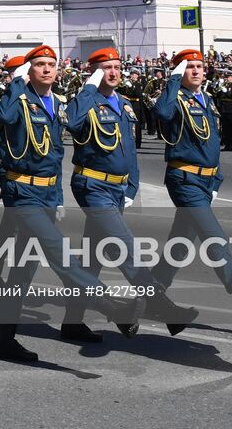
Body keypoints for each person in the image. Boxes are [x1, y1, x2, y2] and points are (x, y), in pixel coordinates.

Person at [0, 45, 142, 361]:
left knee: (22, 270)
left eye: (51, 64)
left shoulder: (56, 104)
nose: (46, 69)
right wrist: (15, 84)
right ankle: (112, 307)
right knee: (61, 255)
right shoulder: (18, 100)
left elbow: (55, 155)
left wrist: (57, 199)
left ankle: (4, 341)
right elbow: (0, 119)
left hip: (45, 195)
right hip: (21, 194)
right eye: (39, 64)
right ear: (28, 71)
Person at [63, 48, 198, 341]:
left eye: (116, 66)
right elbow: (71, 123)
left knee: (92, 256)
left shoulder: (123, 104)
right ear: (94, 72)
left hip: (116, 188)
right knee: (125, 247)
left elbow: (129, 151)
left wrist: (132, 186)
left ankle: (72, 321)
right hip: (92, 186)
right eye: (105, 68)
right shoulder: (86, 101)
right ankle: (165, 308)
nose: (113, 72)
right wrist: (88, 87)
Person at [151, 49, 232, 322]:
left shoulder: (207, 99)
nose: (197, 71)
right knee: (214, 237)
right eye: (190, 67)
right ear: (180, 72)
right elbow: (161, 113)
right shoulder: (175, 99)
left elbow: (212, 143)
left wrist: (216, 179)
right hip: (185, 179)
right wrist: (173, 80)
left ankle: (144, 302)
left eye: (200, 66)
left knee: (179, 245)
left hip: (205, 180)